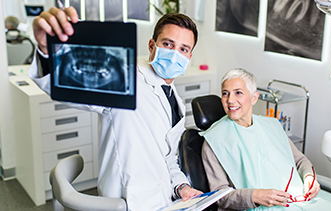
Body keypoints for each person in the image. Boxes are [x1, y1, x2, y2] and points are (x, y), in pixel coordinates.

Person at [28, 6, 202, 210]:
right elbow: (73, 87)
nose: (175, 54)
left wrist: (181, 186)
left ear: (189, 56)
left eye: (183, 49)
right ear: (152, 46)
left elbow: (169, 156)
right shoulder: (126, 77)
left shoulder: (175, 99)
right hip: (127, 199)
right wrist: (47, 51)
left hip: (164, 198)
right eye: (168, 44)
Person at [200, 68, 331, 210]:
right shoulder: (214, 141)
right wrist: (255, 196)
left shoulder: (272, 126)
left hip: (299, 201)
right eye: (225, 93)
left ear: (254, 98)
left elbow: (299, 160)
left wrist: (309, 177)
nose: (230, 100)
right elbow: (219, 195)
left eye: (238, 93)